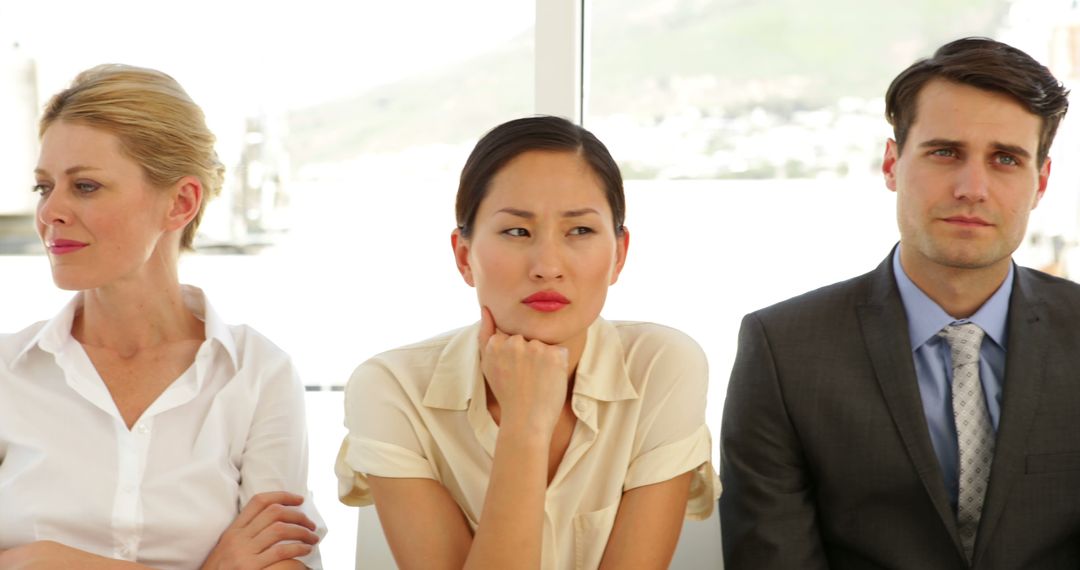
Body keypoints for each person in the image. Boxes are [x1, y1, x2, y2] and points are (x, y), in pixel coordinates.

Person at [720, 37, 1078, 569]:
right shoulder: (782, 351)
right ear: (891, 164)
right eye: (945, 152)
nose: (972, 187)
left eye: (1005, 159)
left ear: (1040, 182)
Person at [336, 116, 719, 569]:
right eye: (517, 231)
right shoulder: (391, 388)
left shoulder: (662, 365)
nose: (548, 265)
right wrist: (525, 426)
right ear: (464, 256)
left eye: (580, 230)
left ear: (620, 255)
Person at [0, 64, 324, 570]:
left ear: (180, 202)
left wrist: (39, 560)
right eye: (45, 187)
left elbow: (286, 561)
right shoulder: (6, 371)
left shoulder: (257, 374)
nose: (50, 212)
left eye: (84, 186)